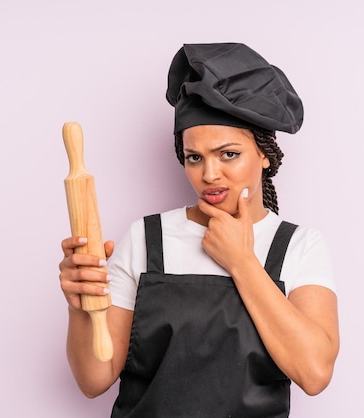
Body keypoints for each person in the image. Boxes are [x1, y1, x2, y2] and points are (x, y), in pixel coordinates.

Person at [59, 42, 340, 417]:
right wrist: (81, 307)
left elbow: (314, 373)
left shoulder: (298, 246)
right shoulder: (146, 238)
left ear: (265, 154)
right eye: (194, 157)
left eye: (229, 154)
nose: (209, 175)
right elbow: (94, 381)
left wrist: (242, 262)